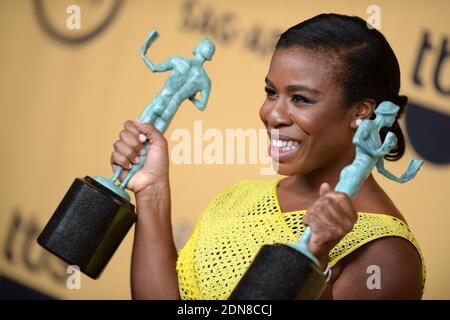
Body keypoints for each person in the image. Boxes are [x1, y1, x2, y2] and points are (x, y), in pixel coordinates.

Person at [110, 13, 425, 299]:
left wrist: (314, 258)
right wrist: (152, 190)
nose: (272, 114)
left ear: (361, 111)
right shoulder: (240, 196)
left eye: (300, 99)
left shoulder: (387, 254)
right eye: (271, 92)